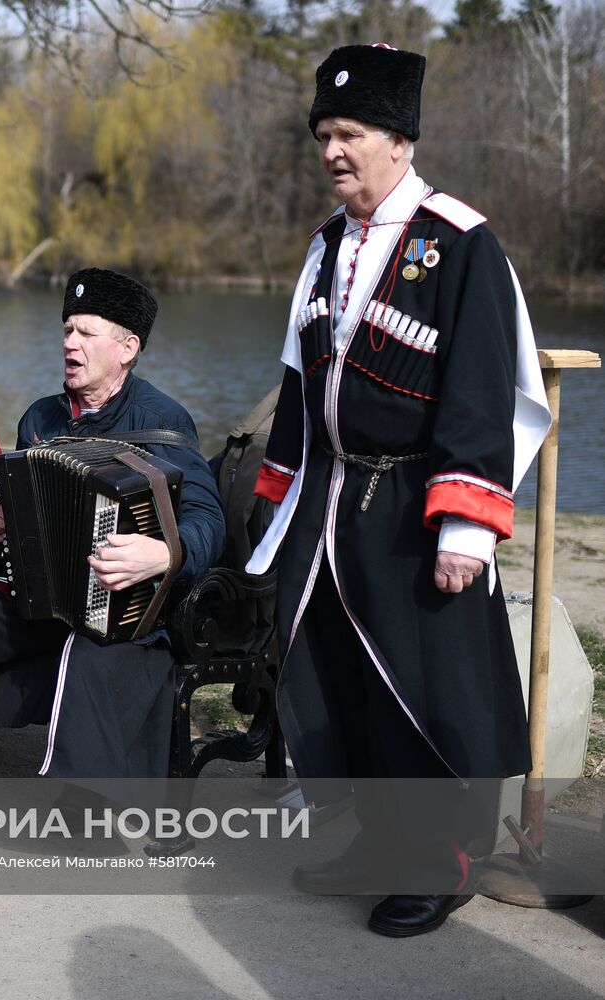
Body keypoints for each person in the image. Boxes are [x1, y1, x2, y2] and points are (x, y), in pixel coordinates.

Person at [246, 44, 551, 937]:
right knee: (345, 683)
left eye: (351, 133)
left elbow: (481, 388)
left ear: (399, 140)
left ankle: (438, 863)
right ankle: (379, 841)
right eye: (324, 135)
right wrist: (278, 500)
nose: (333, 151)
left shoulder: (461, 241)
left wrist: (465, 526)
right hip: (332, 501)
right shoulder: (327, 242)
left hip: (416, 507)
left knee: (423, 696)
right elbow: (303, 380)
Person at [0, 268, 225, 834]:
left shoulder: (163, 421)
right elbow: (21, 499)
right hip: (44, 594)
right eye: (67, 330)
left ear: (128, 349)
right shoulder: (41, 418)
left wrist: (164, 554)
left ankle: (90, 808)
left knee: (99, 648)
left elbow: (206, 519)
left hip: (127, 604)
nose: (69, 343)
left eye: (86, 333)